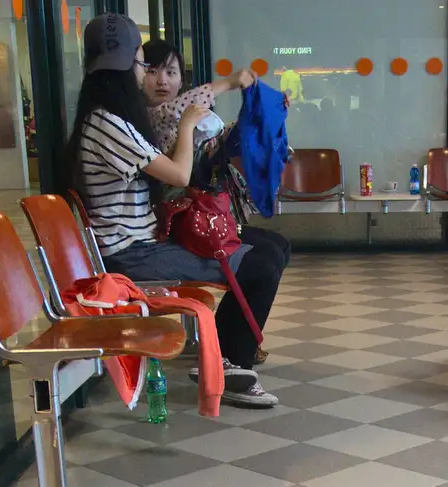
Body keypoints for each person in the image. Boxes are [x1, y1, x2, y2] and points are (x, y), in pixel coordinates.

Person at [62, 14, 284, 408]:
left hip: (149, 237)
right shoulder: (109, 123)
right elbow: (180, 174)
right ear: (128, 69)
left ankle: (225, 355)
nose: (151, 77)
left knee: (270, 247)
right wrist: (186, 127)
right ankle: (230, 362)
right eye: (143, 66)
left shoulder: (109, 118)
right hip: (132, 253)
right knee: (260, 265)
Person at [140, 38, 292, 366]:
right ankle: (232, 355)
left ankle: (229, 341)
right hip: (172, 227)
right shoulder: (148, 118)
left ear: (182, 79)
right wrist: (229, 82)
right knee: (263, 263)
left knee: (278, 246)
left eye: (171, 72)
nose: (163, 80)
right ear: (138, 74)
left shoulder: (184, 119)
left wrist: (267, 116)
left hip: (195, 220)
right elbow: (178, 111)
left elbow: (219, 147)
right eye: (152, 71)